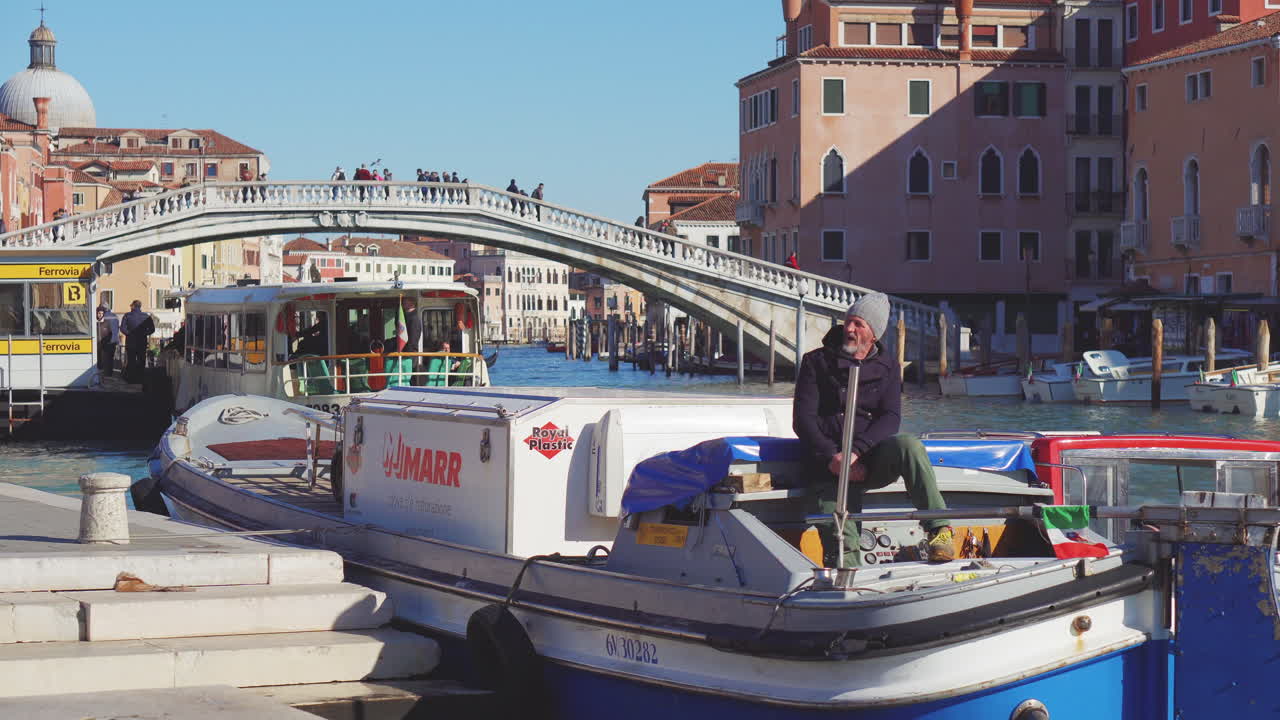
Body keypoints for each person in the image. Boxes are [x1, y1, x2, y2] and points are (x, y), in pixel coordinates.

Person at [792, 292, 953, 567]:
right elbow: (803, 420)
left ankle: (940, 530)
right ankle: (847, 582)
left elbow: (891, 417)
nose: (850, 330)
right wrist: (834, 457)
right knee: (840, 536)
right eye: (848, 322)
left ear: (873, 335)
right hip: (826, 466)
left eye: (858, 324)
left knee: (909, 445)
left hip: (867, 460)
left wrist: (856, 452)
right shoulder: (815, 362)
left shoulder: (888, 366)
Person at [119, 300, 154, 384]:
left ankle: (131, 379)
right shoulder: (146, 316)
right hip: (142, 342)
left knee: (131, 361)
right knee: (141, 361)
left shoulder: (127, 316)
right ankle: (140, 379)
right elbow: (152, 329)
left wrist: (129, 334)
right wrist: (144, 334)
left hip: (131, 342)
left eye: (131, 305)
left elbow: (122, 328)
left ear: (133, 306)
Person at [96, 305, 120, 377]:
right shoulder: (115, 316)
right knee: (110, 359)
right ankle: (109, 374)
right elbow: (117, 328)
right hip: (113, 340)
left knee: (102, 359)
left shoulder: (104, 319)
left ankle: (102, 374)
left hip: (104, 341)